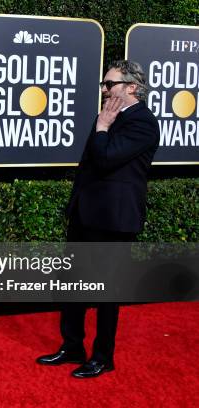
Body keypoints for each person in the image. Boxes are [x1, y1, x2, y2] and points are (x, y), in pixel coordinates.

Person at [36, 60, 159, 378]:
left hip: (114, 221)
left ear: (131, 87)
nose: (104, 90)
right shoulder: (108, 116)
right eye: (104, 85)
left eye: (110, 84)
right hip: (86, 214)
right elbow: (87, 167)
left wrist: (103, 126)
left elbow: (105, 160)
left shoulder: (143, 123)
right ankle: (72, 346)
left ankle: (103, 356)